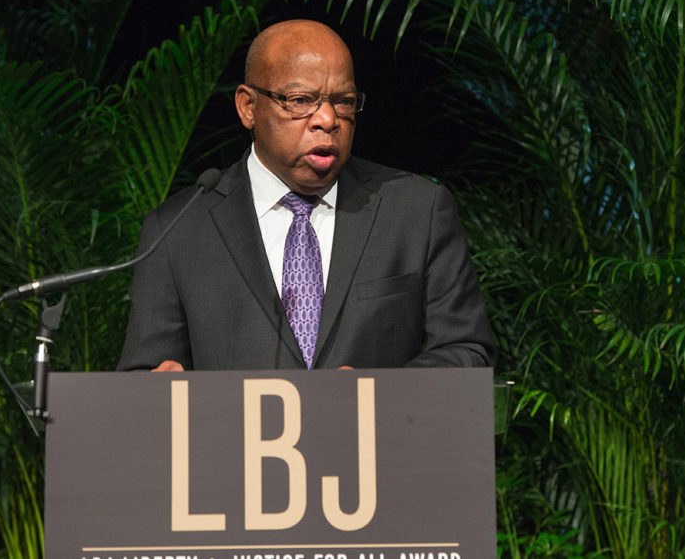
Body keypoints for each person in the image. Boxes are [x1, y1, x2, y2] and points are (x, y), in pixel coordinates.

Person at [116, 19, 494, 371]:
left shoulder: (416, 212)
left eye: (343, 101)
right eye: (300, 100)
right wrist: (156, 391)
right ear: (248, 106)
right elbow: (146, 376)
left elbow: (467, 351)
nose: (327, 119)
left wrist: (378, 394)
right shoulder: (177, 231)